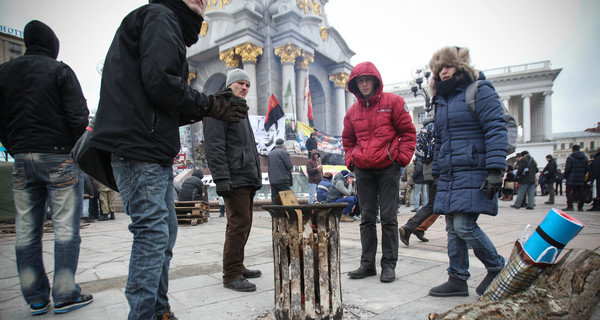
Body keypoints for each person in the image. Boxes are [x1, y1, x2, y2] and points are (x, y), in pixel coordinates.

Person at [88, 1, 248, 318]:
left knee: (165, 232)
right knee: (152, 233)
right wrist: (209, 104)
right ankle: (145, 314)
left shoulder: (165, 23)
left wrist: (206, 105)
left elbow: (158, 100)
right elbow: (161, 83)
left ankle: (158, 308)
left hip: (148, 147)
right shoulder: (160, 17)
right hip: (139, 148)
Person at [0, 20, 93, 315]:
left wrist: (15, 147)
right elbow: (79, 118)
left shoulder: (4, 73)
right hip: (58, 157)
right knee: (66, 228)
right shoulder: (60, 71)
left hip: (21, 159)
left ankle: (36, 298)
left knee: (26, 230)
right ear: (52, 44)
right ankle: (65, 293)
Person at [426, 46, 507, 297]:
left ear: (460, 67)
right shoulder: (442, 100)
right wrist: (437, 170)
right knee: (452, 228)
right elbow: (440, 139)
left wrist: (495, 169)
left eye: (448, 66)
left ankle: (496, 267)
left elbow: (496, 128)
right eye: (439, 69)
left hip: (474, 169)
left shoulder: (479, 91)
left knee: (464, 226)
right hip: (452, 173)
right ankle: (458, 278)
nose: (443, 72)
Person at [342, 61, 416, 283]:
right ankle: (367, 265)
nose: (364, 84)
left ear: (375, 80)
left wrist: (400, 159)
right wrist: (351, 159)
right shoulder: (352, 111)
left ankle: (388, 265)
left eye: (367, 79)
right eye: (359, 80)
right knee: (366, 218)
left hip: (387, 168)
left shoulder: (393, 102)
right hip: (363, 169)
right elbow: (348, 139)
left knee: (388, 218)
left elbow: (408, 132)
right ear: (355, 84)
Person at [204, 68, 263, 292]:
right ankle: (231, 274)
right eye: (240, 83)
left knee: (242, 224)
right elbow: (214, 146)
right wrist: (221, 178)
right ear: (230, 85)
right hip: (234, 176)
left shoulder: (240, 109)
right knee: (238, 225)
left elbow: (247, 146)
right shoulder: (220, 107)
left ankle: (238, 265)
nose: (245, 87)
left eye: (247, 85)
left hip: (246, 176)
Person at [399, 118, 438, 246]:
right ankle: (413, 227)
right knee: (440, 204)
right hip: (439, 169)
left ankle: (416, 228)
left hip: (429, 170)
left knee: (434, 204)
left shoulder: (424, 130)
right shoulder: (438, 127)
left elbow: (420, 156)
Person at [563, 145, 589, 212]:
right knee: (581, 193)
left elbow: (567, 169)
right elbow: (587, 169)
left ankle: (570, 206)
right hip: (581, 178)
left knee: (568, 192)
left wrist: (565, 176)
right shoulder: (585, 158)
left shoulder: (570, 158)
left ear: (572, 149)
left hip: (571, 178)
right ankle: (580, 207)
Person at [268, 138, 293, 203]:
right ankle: (288, 213)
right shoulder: (283, 152)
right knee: (288, 199)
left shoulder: (270, 154)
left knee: (275, 200)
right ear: (283, 145)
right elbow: (289, 166)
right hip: (282, 180)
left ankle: (275, 213)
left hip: (273, 180)